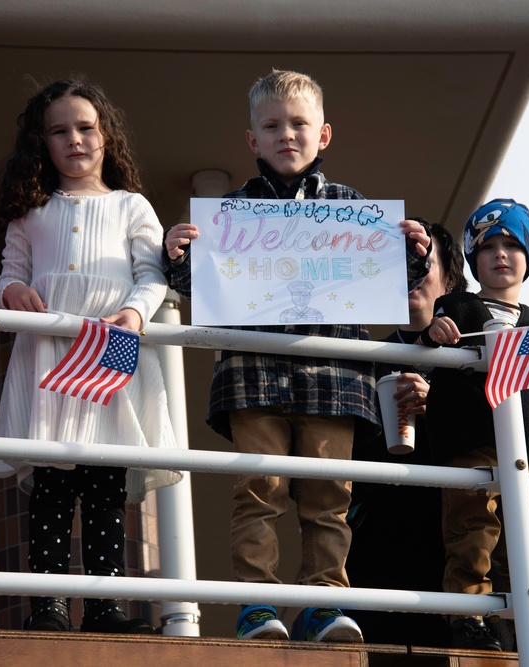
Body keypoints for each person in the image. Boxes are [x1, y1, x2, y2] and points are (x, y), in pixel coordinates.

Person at [163, 69, 431, 643]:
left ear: (324, 134)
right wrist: (179, 254)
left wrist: (413, 252)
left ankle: (323, 605)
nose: (287, 134)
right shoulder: (228, 214)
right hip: (252, 377)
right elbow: (193, 286)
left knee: (329, 495)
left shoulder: (353, 210)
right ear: (251, 140)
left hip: (334, 379)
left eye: (299, 124)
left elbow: (389, 287)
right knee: (258, 491)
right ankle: (258, 607)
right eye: (272, 125)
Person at [0, 78, 182, 635]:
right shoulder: (30, 211)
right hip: (50, 358)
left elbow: (151, 275)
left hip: (110, 353)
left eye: (85, 127)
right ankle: (46, 604)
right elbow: (9, 275)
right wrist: (12, 294)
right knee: (51, 486)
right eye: (59, 131)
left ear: (106, 135)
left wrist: (136, 315)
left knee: (103, 488)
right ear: (41, 143)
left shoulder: (132, 205)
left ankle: (104, 607)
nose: (74, 139)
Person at [416, 199, 529, 650]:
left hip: (528, 453)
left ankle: (528, 622)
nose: (500, 254)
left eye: (512, 245)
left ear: (528, 258)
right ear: (473, 259)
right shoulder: (457, 304)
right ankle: (470, 618)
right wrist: (437, 332)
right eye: (488, 245)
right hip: (470, 444)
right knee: (471, 533)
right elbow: (432, 334)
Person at [345, 220, 468, 647]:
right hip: (379, 558)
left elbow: (503, 445)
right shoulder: (361, 356)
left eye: (422, 263)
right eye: (396, 265)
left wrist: (438, 406)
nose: (410, 275)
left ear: (449, 279)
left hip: (458, 553)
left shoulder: (476, 356)